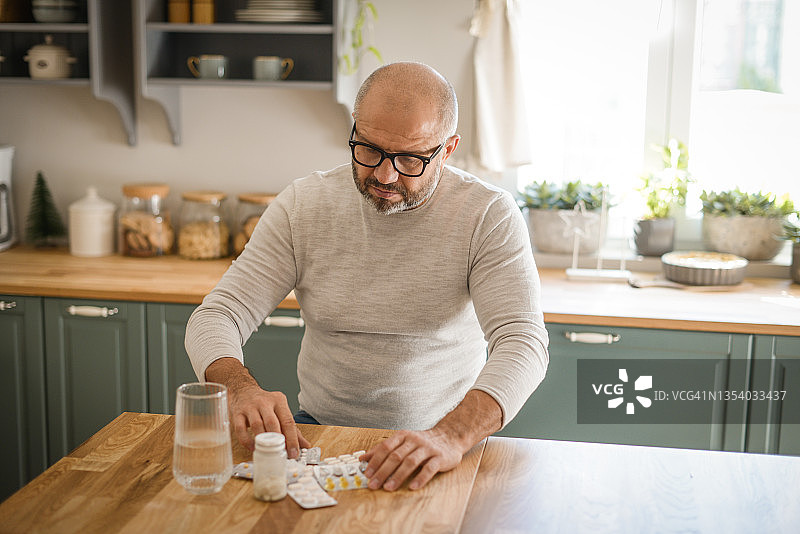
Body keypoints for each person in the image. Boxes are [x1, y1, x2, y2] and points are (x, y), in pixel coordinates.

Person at [185, 62, 549, 491]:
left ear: (447, 150)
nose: (385, 175)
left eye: (411, 158)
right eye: (370, 149)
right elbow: (218, 315)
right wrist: (240, 388)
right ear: (354, 130)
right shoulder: (304, 205)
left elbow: (523, 341)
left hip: (444, 440)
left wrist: (452, 436)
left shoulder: (487, 214)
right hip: (318, 432)